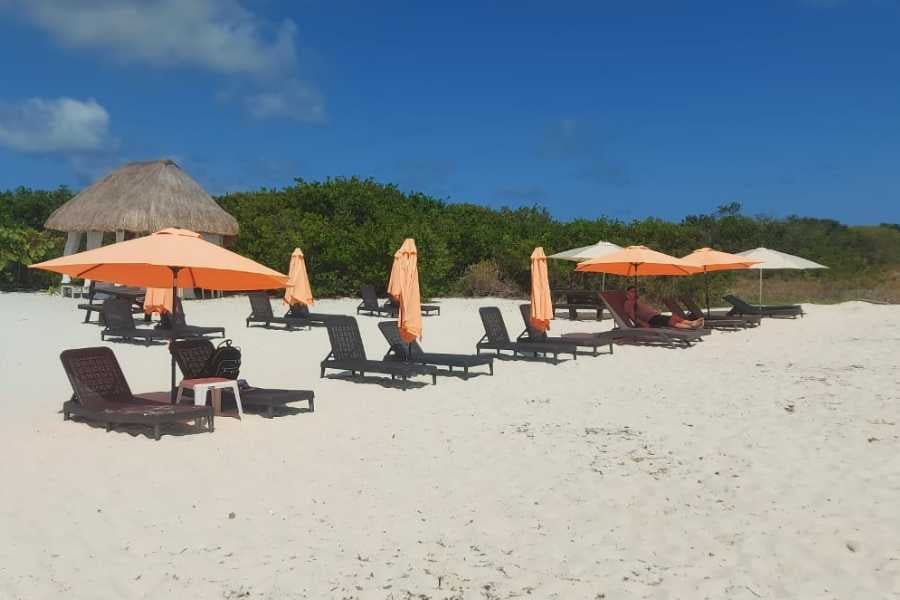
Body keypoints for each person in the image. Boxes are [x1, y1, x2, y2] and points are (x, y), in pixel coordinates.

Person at [623, 286, 704, 330]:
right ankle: (691, 327)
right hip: (650, 320)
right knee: (672, 321)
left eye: (635, 291)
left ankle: (692, 323)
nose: (635, 293)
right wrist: (642, 323)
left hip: (655, 316)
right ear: (628, 293)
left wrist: (655, 311)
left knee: (675, 317)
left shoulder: (637, 301)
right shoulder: (628, 303)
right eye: (632, 291)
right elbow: (632, 316)